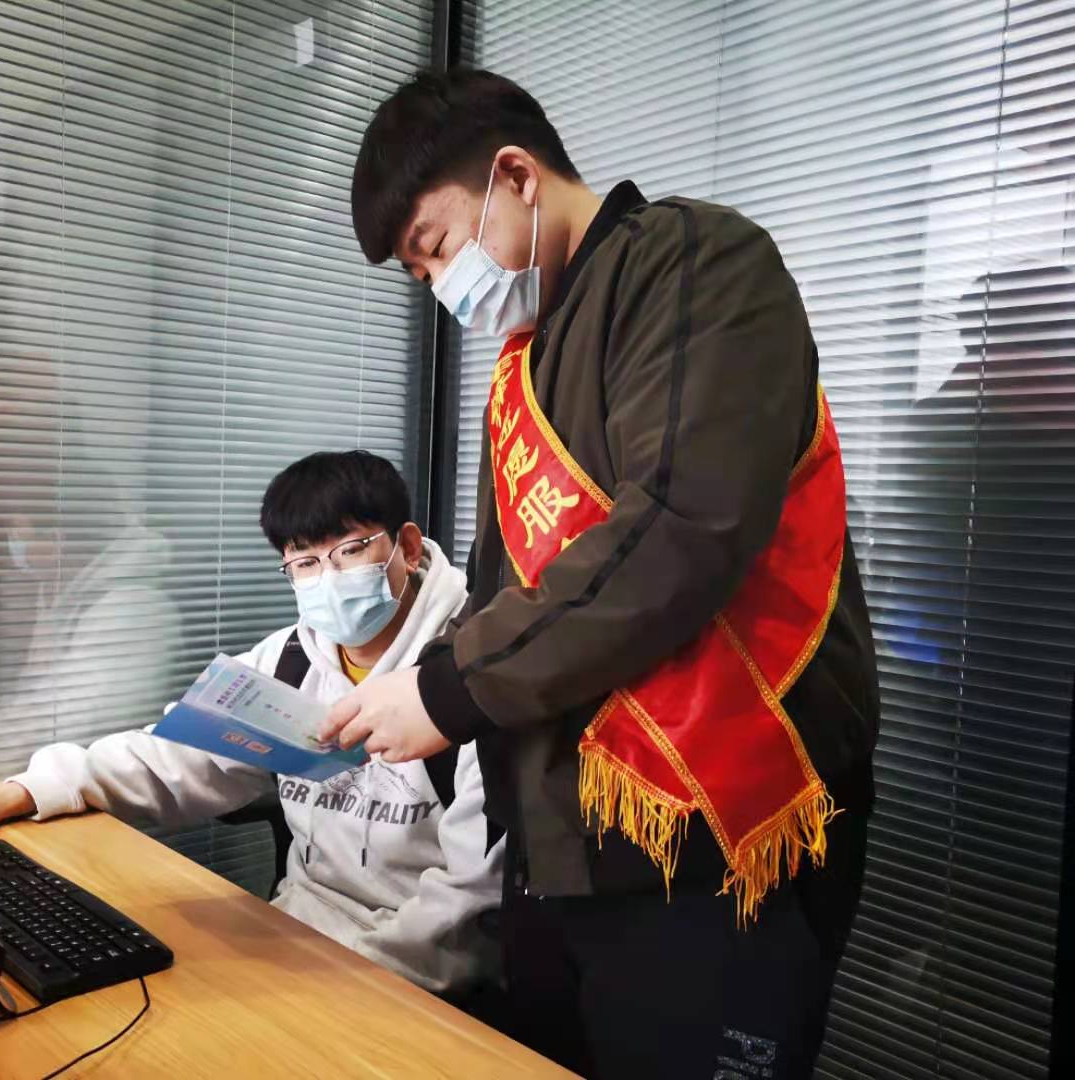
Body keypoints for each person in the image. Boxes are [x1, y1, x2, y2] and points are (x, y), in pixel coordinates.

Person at [322, 69, 881, 1078]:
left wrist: (448, 690)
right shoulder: (525, 361)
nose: (443, 288)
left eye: (437, 248)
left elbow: (679, 525)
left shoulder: (695, 259)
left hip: (709, 847)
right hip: (563, 849)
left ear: (514, 176)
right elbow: (513, 590)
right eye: (420, 273)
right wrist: (418, 687)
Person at [0, 450, 503, 998]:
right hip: (298, 930)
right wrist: (23, 791)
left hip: (415, 975)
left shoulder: (471, 677)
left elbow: (467, 904)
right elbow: (175, 756)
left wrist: (343, 987)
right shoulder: (289, 659)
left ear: (407, 546)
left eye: (350, 551)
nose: (328, 578)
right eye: (305, 563)